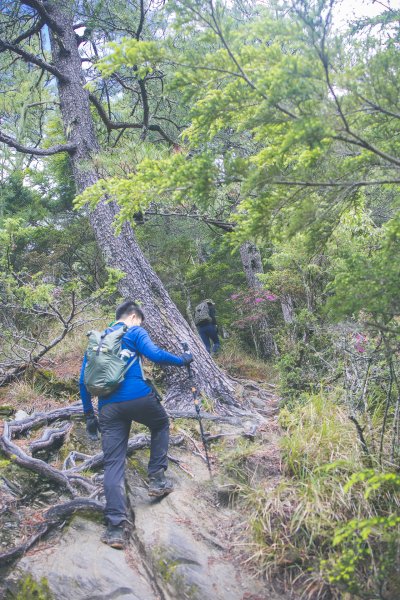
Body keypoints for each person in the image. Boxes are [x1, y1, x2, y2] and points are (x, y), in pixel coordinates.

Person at [79, 300, 193, 549]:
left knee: (113, 463)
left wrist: (90, 416)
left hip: (107, 408)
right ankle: (156, 479)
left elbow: (83, 382)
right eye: (140, 320)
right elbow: (155, 354)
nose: (141, 324)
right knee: (161, 424)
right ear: (132, 317)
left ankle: (115, 529)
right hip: (139, 397)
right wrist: (182, 360)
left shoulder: (98, 340)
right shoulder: (135, 331)